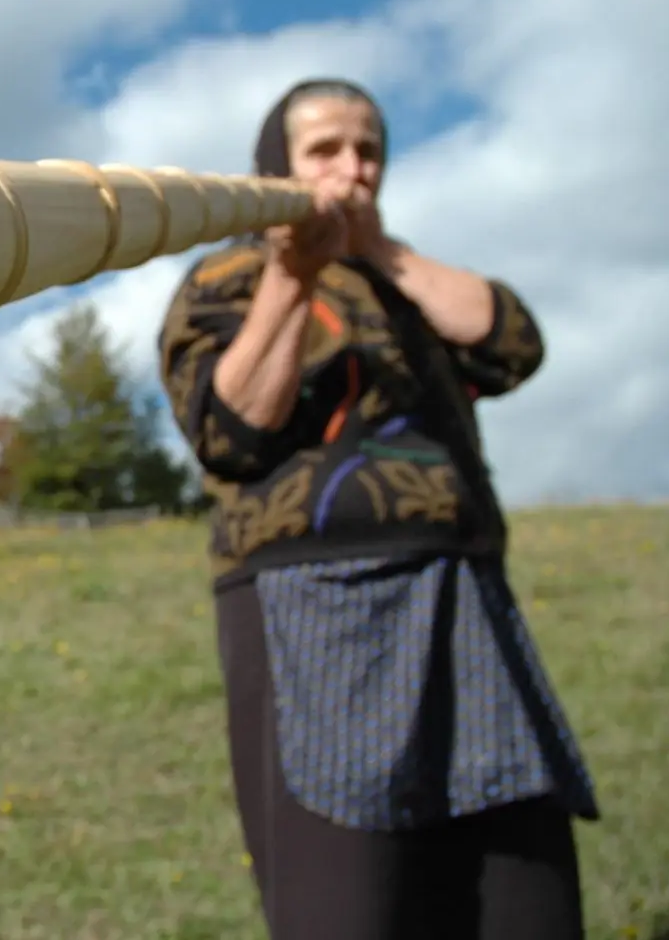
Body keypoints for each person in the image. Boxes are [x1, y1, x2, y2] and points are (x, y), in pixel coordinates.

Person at [155, 78, 599, 940]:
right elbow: (227, 431)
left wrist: (383, 253)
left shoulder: (411, 287)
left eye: (369, 152)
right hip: (312, 602)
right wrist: (294, 277)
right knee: (351, 905)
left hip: (463, 592)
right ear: (277, 165)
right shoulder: (227, 277)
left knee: (521, 893)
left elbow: (514, 343)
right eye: (325, 150)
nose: (352, 169)